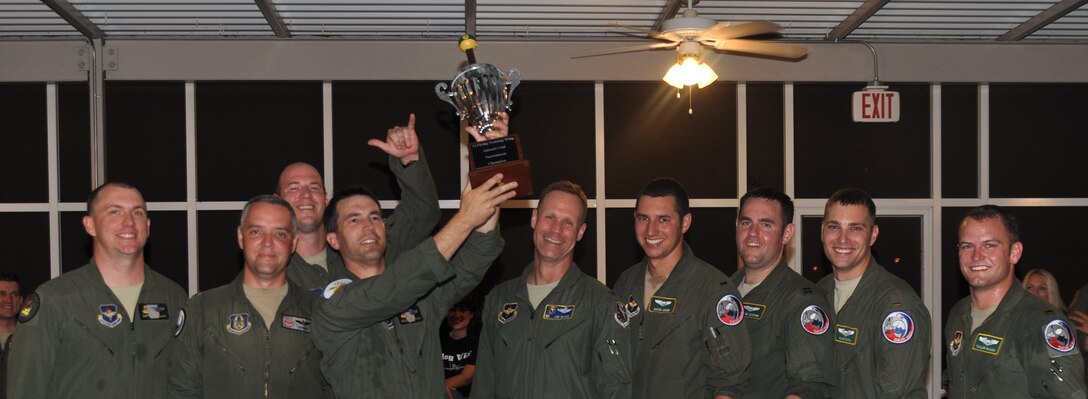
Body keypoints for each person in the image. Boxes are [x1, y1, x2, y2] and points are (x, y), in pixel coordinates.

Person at [312, 173, 517, 398]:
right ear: (333, 240)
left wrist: (488, 174)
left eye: (375, 217)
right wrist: (465, 219)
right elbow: (392, 289)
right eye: (354, 219)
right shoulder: (334, 307)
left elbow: (474, 258)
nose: (369, 226)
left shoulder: (422, 294)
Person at [8, 182, 187, 399]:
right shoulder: (55, 300)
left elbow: (186, 383)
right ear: (90, 225)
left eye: (137, 213)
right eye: (115, 212)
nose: (129, 222)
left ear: (147, 226)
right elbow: (26, 389)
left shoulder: (172, 297)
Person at [473, 180, 632, 399]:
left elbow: (617, 391)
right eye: (550, 217)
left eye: (568, 222)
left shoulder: (601, 303)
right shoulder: (499, 299)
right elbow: (483, 385)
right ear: (534, 218)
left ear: (580, 232)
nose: (556, 229)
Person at [168, 195, 330, 398]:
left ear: (294, 242)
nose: (268, 243)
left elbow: (333, 387)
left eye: (280, 234)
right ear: (240, 237)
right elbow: (182, 390)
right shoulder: (202, 310)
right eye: (256, 232)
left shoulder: (320, 311)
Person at [611, 178, 750, 399]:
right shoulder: (626, 282)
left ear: (685, 223)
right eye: (643, 218)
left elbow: (729, 382)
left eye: (663, 219)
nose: (651, 230)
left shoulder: (714, 289)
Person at [278, 113, 441, 293]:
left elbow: (423, 214)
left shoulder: (367, 243)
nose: (306, 195)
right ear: (276, 202)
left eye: (314, 188)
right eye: (294, 188)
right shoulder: (272, 266)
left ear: (326, 199)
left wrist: (409, 160)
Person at [944, 205, 1086, 397]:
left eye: (989, 245)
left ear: (1015, 252)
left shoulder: (1040, 323)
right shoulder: (958, 314)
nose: (976, 256)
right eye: (967, 246)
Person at [814, 188, 931, 398]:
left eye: (855, 228)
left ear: (873, 235)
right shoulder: (817, 295)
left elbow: (898, 393)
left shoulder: (895, 303)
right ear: (823, 230)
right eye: (834, 227)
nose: (843, 239)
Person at [732, 188, 836, 398]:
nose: (752, 233)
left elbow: (808, 386)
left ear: (786, 233)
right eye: (746, 222)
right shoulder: (723, 290)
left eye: (766, 224)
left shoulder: (802, 301)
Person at [441, 301, 480, 399]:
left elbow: (466, 377)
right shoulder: (437, 340)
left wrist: (440, 386)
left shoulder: (478, 342)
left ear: (471, 315)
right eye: (452, 310)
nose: (457, 314)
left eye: (462, 310)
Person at [0, 272, 21, 399]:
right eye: (2, 294)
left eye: (14, 295)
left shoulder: (33, 338)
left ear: (21, 301)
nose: (8, 300)